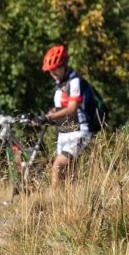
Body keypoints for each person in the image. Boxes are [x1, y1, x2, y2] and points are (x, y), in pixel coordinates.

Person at [40, 43, 90, 188]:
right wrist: (47, 115)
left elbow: (72, 108)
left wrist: (49, 117)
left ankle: (54, 206)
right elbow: (60, 108)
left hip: (79, 132)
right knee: (68, 176)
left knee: (57, 166)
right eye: (50, 71)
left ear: (63, 65)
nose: (52, 73)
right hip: (64, 133)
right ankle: (71, 205)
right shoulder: (59, 85)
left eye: (54, 70)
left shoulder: (74, 82)